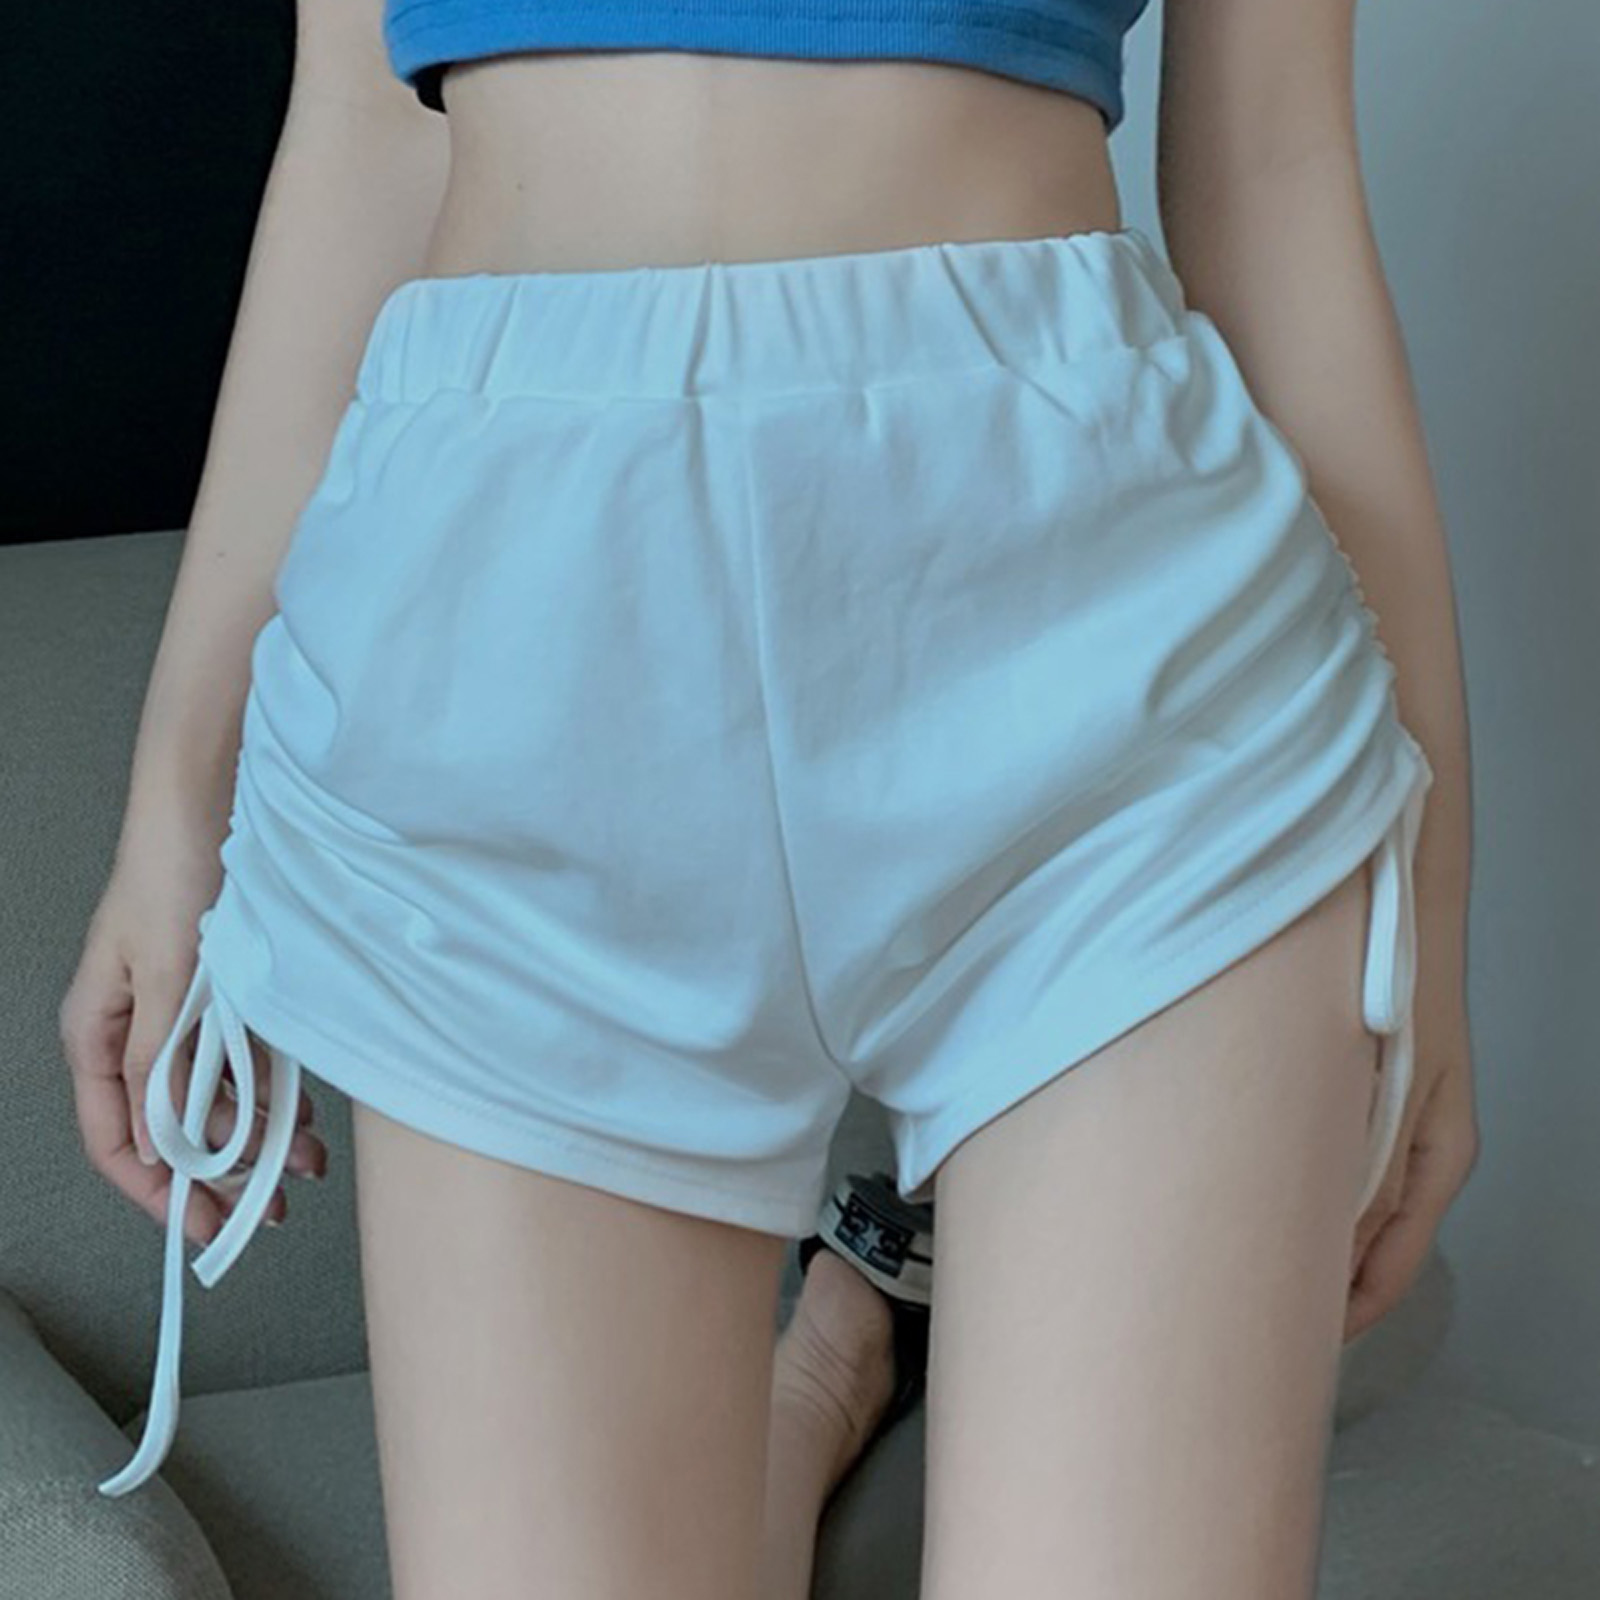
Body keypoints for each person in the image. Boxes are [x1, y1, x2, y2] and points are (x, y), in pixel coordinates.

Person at [59, 0, 1480, 1593]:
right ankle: (827, 1380)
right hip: (514, 651)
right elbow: (364, 125)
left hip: (1119, 658)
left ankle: (831, 1367)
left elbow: (1275, 171)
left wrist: (1434, 894)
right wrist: (173, 801)